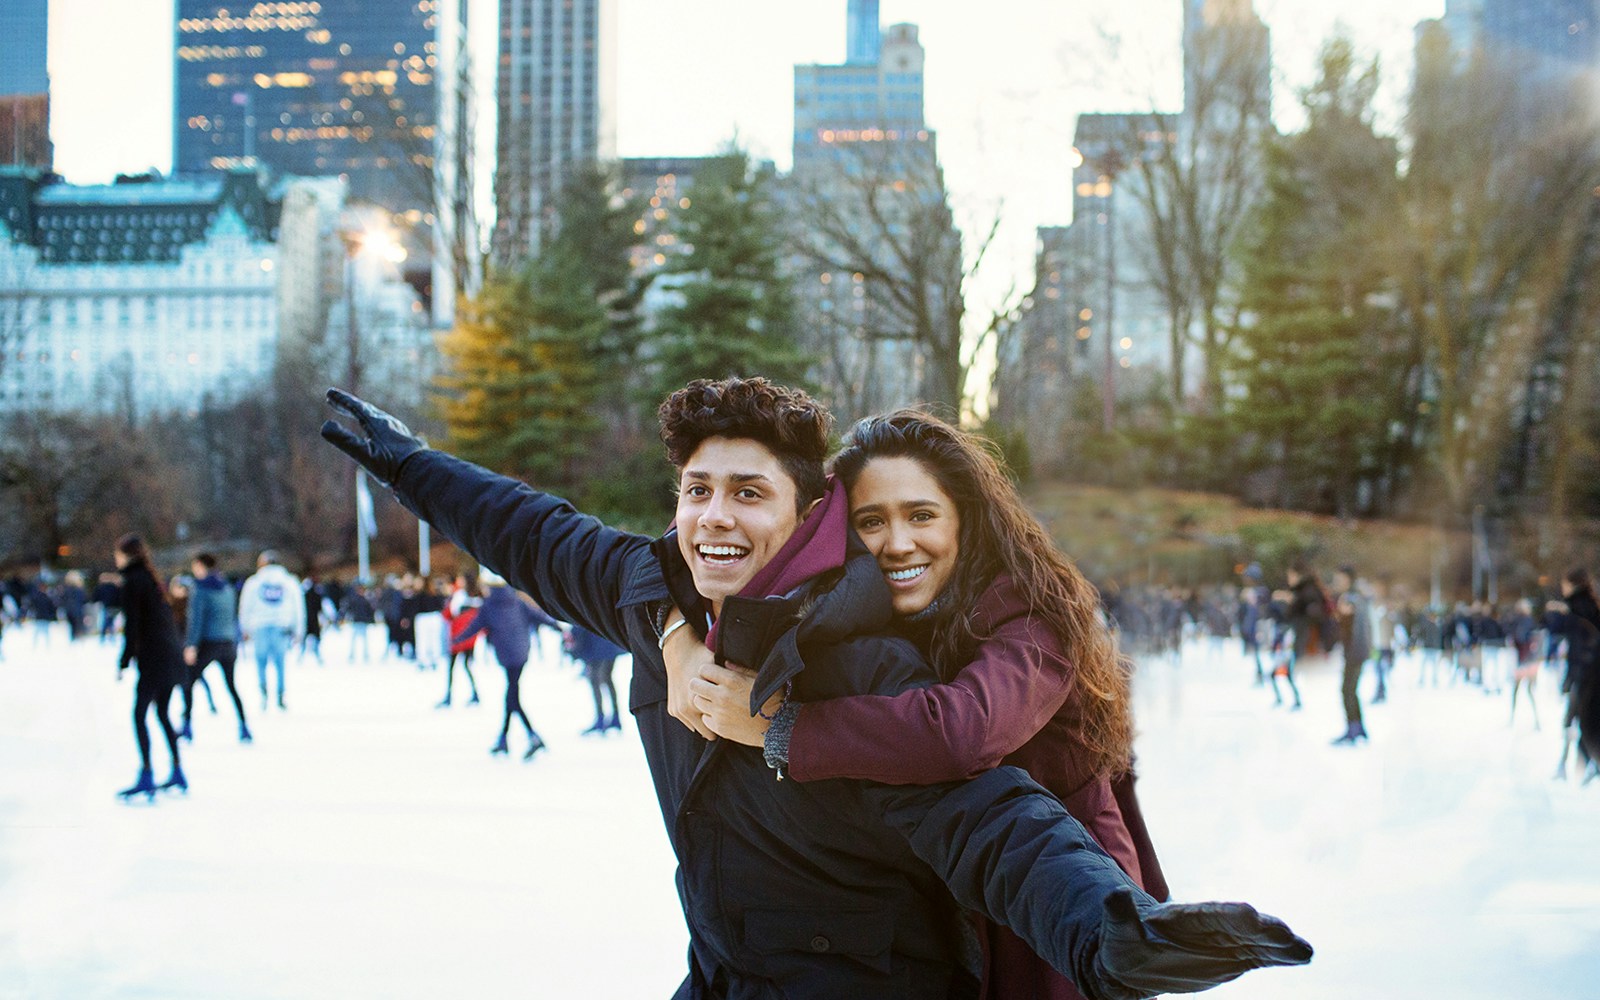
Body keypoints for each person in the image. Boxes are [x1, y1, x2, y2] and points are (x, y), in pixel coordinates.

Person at [322, 380, 1312, 999]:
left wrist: (1111, 929)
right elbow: (535, 532)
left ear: (805, 520)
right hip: (725, 972)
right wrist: (411, 466)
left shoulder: (873, 662)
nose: (713, 517)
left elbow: (995, 817)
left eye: (749, 493)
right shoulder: (655, 597)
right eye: (697, 490)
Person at [664, 409, 1167, 1000]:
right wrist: (674, 631)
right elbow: (650, 559)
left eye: (921, 515)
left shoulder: (1030, 614)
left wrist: (783, 729)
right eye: (871, 521)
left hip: (1053, 901)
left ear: (965, 521)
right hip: (953, 899)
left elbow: (962, 732)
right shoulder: (881, 622)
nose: (897, 544)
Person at [455, 573, 561, 758]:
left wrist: (456, 640)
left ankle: (531, 737)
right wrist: (557, 628)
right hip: (521, 654)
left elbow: (475, 627)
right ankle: (505, 739)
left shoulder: (489, 607)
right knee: (512, 696)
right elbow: (538, 616)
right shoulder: (516, 601)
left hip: (507, 655)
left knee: (512, 699)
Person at [113, 534, 186, 800]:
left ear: (125, 554)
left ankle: (147, 773)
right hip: (170, 654)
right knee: (163, 713)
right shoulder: (153, 579)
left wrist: (124, 660)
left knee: (139, 714)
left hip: (155, 658)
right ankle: (177, 770)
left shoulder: (134, 581)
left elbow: (132, 625)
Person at [186, 553, 252, 743]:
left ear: (201, 566)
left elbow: (196, 620)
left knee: (188, 681)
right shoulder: (227, 587)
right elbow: (232, 616)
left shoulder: (200, 589)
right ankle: (244, 725)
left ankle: (187, 725)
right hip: (228, 643)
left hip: (208, 642)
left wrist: (191, 645)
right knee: (231, 686)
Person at [238, 551, 304, 711]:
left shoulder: (253, 582)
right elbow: (298, 607)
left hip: (259, 626)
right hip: (281, 626)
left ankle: (264, 692)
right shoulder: (289, 581)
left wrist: (245, 628)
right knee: (280, 663)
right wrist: (298, 630)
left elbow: (245, 607)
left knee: (261, 662)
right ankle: (280, 694)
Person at [1331, 567, 1372, 746]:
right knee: (1351, 690)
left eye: (1339, 578)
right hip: (1358, 650)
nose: (1337, 582)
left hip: (1355, 651)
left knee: (1347, 690)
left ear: (1347, 579)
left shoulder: (1351, 598)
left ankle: (1353, 729)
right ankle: (1358, 728)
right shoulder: (1358, 596)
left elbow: (1345, 619)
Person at [570, 623, 627, 735]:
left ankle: (607, 718)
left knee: (599, 679)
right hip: (602, 643)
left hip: (599, 644)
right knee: (603, 679)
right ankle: (608, 718)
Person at [438, 575, 482, 707]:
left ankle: (449, 695)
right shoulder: (477, 598)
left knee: (452, 667)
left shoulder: (459, 596)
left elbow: (450, 613)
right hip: (469, 637)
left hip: (458, 635)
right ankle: (475, 693)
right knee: (466, 665)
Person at [1506, 598, 1540, 730]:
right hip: (1531, 660)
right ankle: (1536, 719)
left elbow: (1518, 637)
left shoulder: (1518, 620)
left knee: (1517, 690)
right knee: (1530, 691)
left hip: (1522, 660)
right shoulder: (1529, 620)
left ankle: (1512, 717)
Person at [341, 584, 377, 662]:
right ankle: (352, 655)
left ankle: (365, 655)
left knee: (364, 640)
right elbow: (348, 609)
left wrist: (372, 620)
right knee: (354, 640)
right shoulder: (354, 600)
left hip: (363, 622)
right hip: (356, 622)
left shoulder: (365, 600)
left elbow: (370, 612)